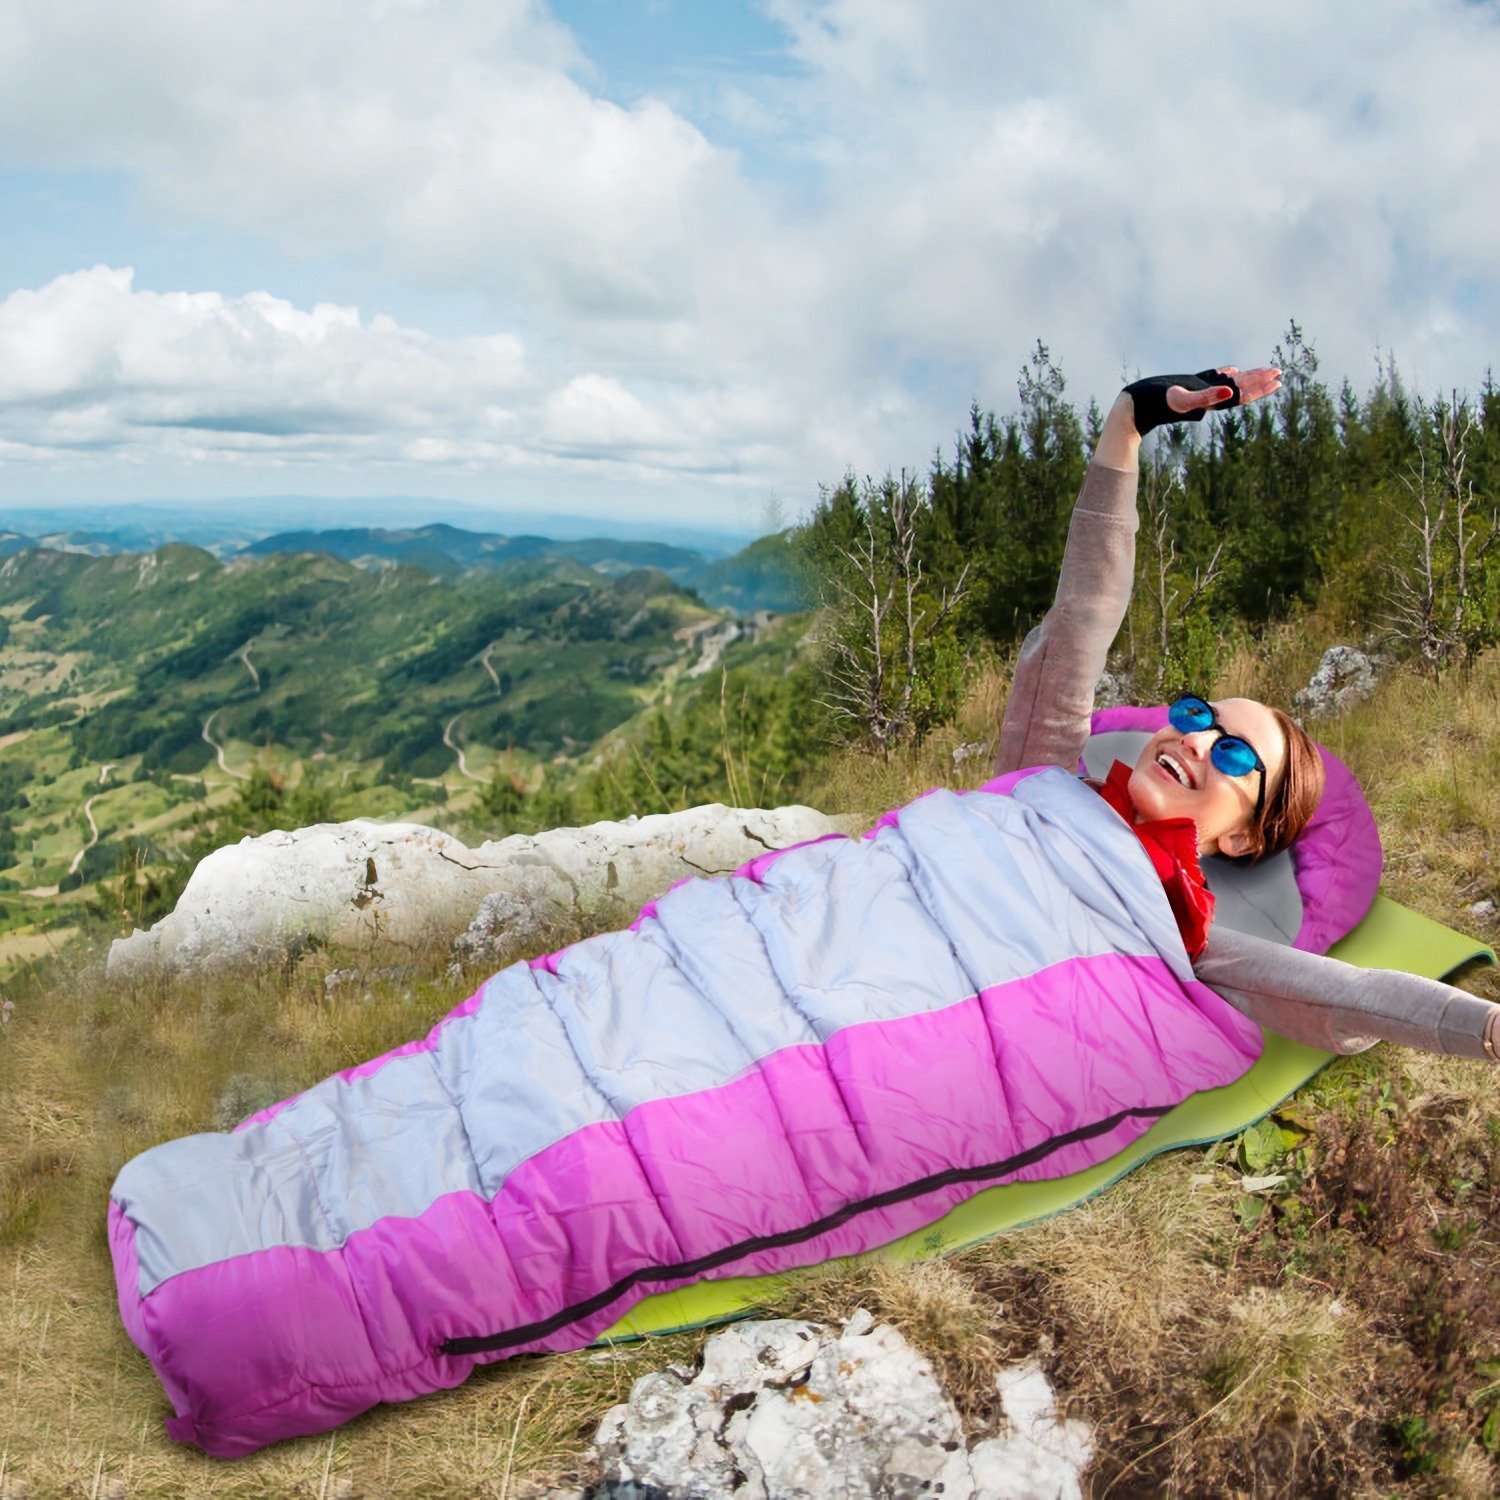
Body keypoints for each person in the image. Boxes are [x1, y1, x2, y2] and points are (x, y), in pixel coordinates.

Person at [993, 365, 1500, 1060]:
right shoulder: (1036, 782)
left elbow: (1342, 994)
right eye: (1198, 717)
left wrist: (1485, 1029)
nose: (1198, 741)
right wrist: (1134, 417)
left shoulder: (1175, 930)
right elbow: (1083, 615)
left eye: (1234, 752)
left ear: (1240, 841)